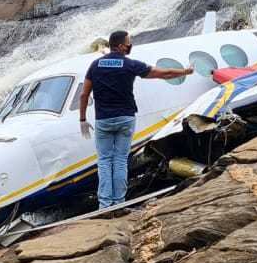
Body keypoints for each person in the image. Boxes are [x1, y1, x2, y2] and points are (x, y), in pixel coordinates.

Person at [78, 30, 193, 209]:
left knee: (105, 161)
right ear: (121, 45)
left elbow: (84, 94)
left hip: (104, 120)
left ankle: (105, 205)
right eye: (129, 42)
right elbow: (164, 73)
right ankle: (119, 203)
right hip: (125, 118)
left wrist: (82, 119)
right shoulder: (130, 64)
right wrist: (186, 71)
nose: (130, 45)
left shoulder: (95, 65)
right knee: (120, 160)